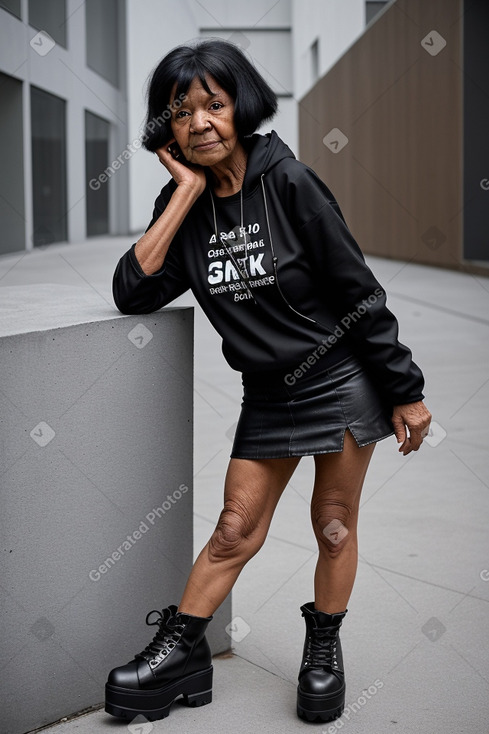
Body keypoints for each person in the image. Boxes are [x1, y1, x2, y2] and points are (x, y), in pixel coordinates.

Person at [105, 39, 432, 725]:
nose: (199, 123)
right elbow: (133, 291)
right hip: (268, 393)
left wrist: (403, 387)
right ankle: (180, 654)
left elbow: (357, 291)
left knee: (334, 528)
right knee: (233, 530)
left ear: (239, 106)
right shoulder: (184, 202)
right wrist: (185, 194)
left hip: (340, 381)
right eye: (181, 112)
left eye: (213, 106)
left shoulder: (290, 183)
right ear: (167, 128)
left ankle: (323, 652)